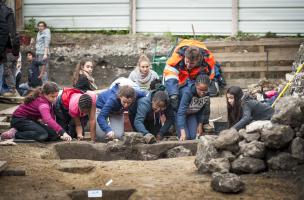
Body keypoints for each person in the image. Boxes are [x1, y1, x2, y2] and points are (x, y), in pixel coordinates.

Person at [0, 82, 72, 142]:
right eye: (52, 96)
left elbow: (51, 117)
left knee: (54, 134)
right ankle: (14, 134)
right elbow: (48, 119)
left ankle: (20, 130)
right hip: (19, 120)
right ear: (44, 94)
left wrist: (58, 133)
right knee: (42, 134)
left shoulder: (47, 100)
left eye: (56, 96)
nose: (55, 99)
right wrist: (62, 132)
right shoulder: (43, 103)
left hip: (31, 120)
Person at [163, 39, 215, 110]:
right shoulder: (176, 58)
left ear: (198, 60)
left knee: (199, 90)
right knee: (174, 95)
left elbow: (209, 77)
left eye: (192, 63)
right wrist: (173, 94)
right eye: (187, 61)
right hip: (181, 73)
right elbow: (169, 75)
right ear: (184, 56)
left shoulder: (207, 62)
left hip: (198, 72)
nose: (188, 65)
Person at [177, 74, 211, 141]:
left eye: (205, 90)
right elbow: (181, 113)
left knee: (193, 137)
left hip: (191, 114)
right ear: (196, 85)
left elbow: (201, 109)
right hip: (179, 114)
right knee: (186, 137)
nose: (202, 93)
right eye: (200, 90)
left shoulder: (206, 93)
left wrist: (200, 124)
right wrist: (182, 131)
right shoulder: (187, 93)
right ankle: (177, 128)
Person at [0, 1, 20, 96]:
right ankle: (10, 89)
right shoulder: (8, 11)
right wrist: (16, 51)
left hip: (7, 50)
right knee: (11, 71)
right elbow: (13, 34)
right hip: (11, 49)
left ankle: (11, 90)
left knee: (8, 71)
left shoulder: (6, 12)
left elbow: (9, 32)